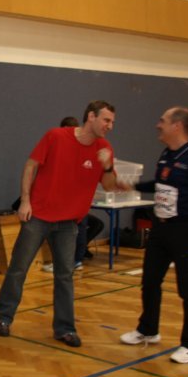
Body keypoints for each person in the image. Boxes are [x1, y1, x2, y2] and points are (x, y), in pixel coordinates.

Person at [0, 101, 126, 347]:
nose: (110, 126)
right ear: (91, 117)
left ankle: (65, 329)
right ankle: (3, 317)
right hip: (39, 217)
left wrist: (107, 165)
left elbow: (108, 186)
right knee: (18, 268)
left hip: (68, 223)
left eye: (112, 122)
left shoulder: (104, 148)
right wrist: (25, 200)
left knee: (65, 275)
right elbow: (31, 165)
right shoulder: (56, 136)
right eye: (106, 120)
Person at [120, 107, 188, 363]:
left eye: (162, 121)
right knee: (150, 281)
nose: (158, 125)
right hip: (161, 229)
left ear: (177, 126)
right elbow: (161, 184)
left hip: (187, 231)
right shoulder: (167, 154)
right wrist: (133, 185)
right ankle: (148, 330)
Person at [41, 116, 105, 271]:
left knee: (78, 229)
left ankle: (75, 259)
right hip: (68, 203)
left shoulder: (81, 150)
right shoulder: (61, 147)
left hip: (73, 204)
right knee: (75, 230)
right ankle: (74, 259)